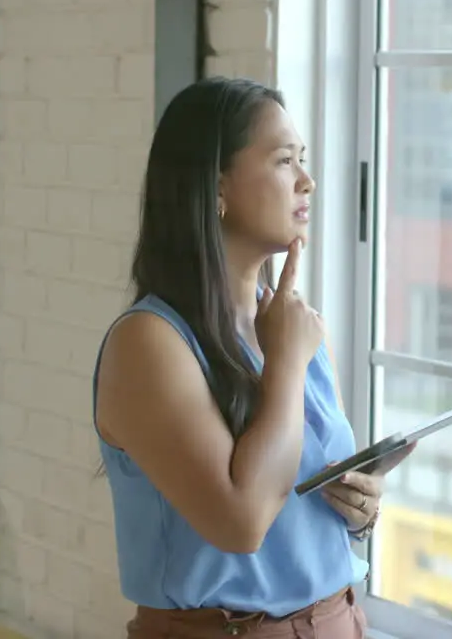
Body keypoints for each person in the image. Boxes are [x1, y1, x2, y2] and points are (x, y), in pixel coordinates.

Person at [93, 77, 399, 638]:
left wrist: (361, 512)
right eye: (285, 161)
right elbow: (242, 522)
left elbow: (299, 502)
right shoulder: (150, 343)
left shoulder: (294, 327)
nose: (307, 180)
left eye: (302, 159)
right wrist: (284, 363)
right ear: (216, 189)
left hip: (340, 620)